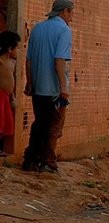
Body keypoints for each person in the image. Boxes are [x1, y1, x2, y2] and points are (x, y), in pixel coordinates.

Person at [22, 0, 74, 173]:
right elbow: (59, 60)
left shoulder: (37, 28)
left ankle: (31, 160)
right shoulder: (64, 30)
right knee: (53, 125)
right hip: (53, 88)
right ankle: (47, 161)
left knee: (40, 123)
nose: (71, 18)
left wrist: (30, 82)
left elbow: (28, 60)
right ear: (65, 11)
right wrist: (63, 87)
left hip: (37, 86)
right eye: (71, 13)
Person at [0, 31, 20, 157]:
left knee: (6, 123)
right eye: (16, 47)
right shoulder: (0, 62)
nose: (17, 50)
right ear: (9, 48)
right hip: (0, 96)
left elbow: (11, 82)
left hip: (6, 97)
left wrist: (12, 98)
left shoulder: (11, 63)